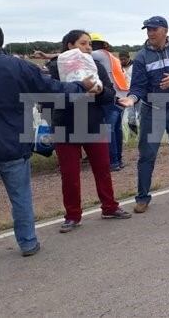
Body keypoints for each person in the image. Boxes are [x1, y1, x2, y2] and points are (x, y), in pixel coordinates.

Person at [0, 21, 97, 272]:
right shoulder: (17, 65)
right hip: (12, 144)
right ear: (1, 42)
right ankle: (28, 243)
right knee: (20, 197)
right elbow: (49, 88)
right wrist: (79, 86)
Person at [44, 30, 131, 233]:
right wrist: (76, 89)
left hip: (93, 123)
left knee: (103, 169)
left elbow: (110, 94)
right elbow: (48, 98)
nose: (89, 47)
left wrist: (99, 91)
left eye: (90, 44)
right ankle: (72, 216)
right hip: (65, 126)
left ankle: (110, 207)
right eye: (83, 43)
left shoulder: (95, 65)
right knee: (70, 175)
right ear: (70, 45)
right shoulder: (54, 67)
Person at [117, 16, 169, 213]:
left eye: (154, 29)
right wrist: (132, 99)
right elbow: (138, 87)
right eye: (148, 30)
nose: (150, 33)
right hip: (152, 112)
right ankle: (142, 198)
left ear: (165, 30)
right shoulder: (142, 56)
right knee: (147, 156)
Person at [90, 33, 130, 171]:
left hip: (113, 97)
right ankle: (118, 160)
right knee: (116, 129)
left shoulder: (99, 55)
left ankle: (112, 162)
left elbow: (78, 55)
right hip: (122, 96)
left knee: (108, 130)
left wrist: (50, 56)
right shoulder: (111, 57)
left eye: (89, 44)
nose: (87, 47)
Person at [119, 50, 139, 135]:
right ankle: (132, 134)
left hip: (136, 92)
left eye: (124, 59)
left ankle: (137, 134)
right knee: (129, 115)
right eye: (121, 59)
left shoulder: (136, 65)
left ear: (128, 57)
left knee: (138, 114)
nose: (122, 61)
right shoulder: (118, 67)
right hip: (124, 93)